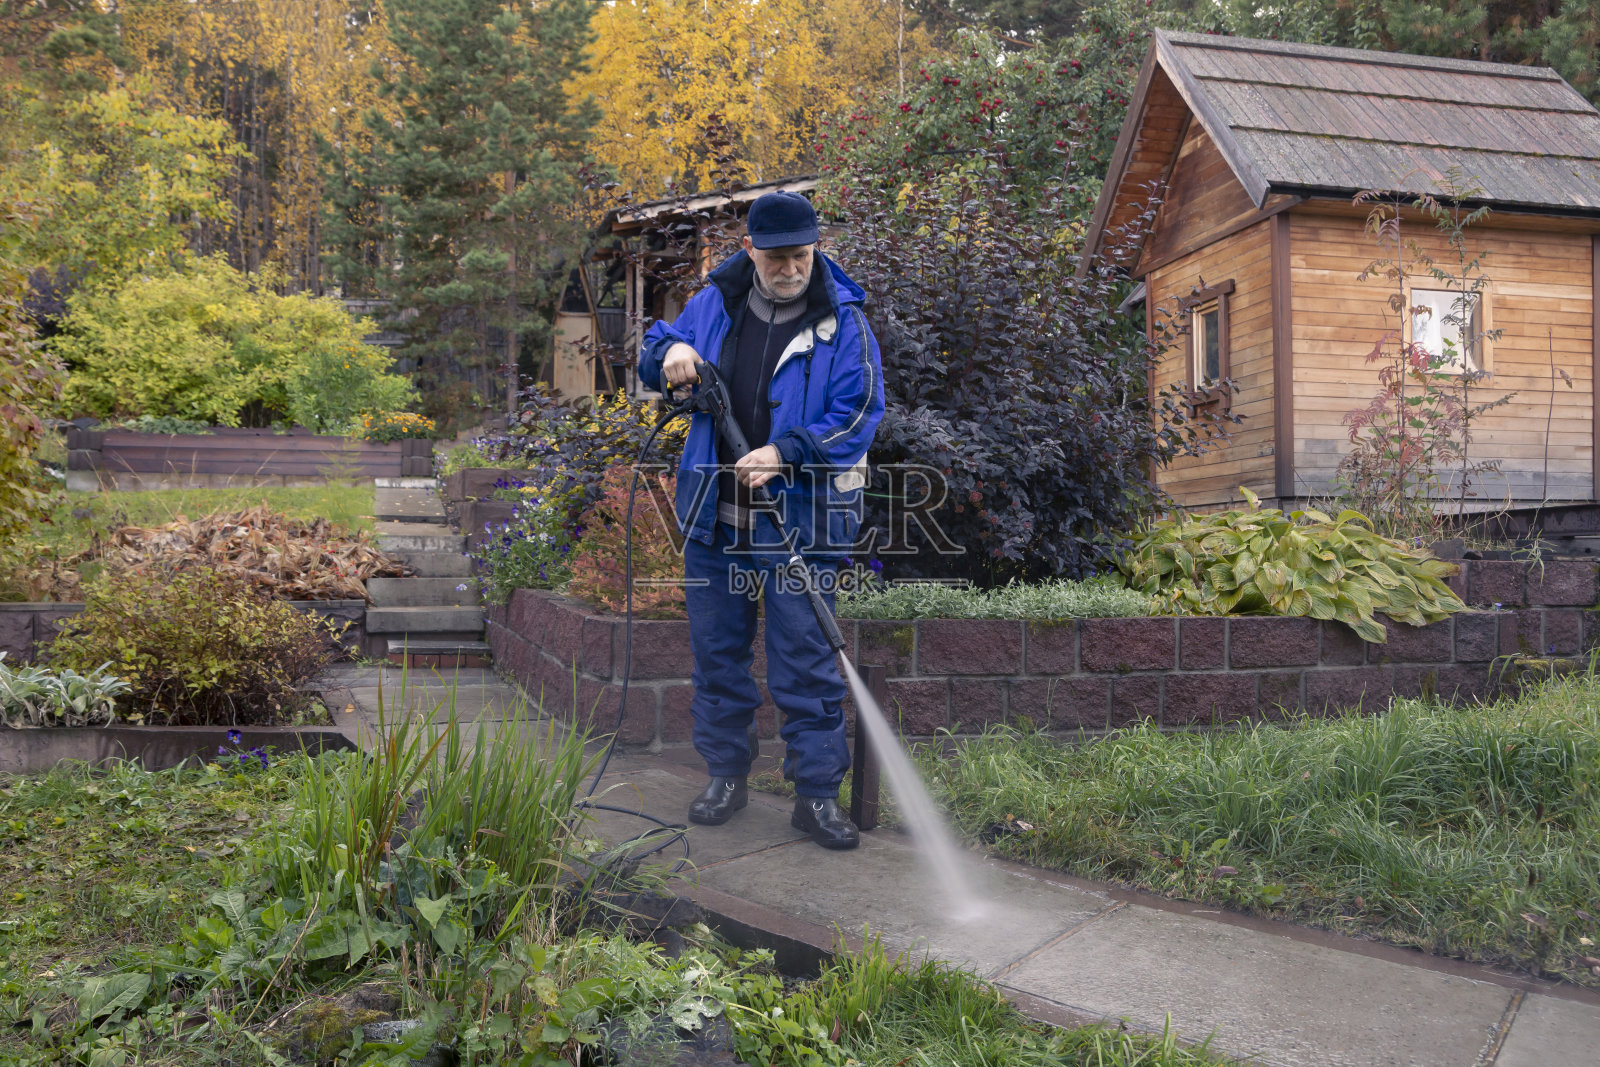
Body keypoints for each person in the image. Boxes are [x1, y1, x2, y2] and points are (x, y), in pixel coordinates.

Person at [637, 190, 885, 850]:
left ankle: (815, 796)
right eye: (776, 258)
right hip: (716, 521)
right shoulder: (715, 302)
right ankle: (726, 777)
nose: (790, 269)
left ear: (816, 248)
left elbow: (859, 413)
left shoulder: (844, 322)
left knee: (805, 663)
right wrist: (668, 358)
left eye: (802, 256)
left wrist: (787, 452)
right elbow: (656, 343)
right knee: (717, 658)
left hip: (801, 523)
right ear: (750, 250)